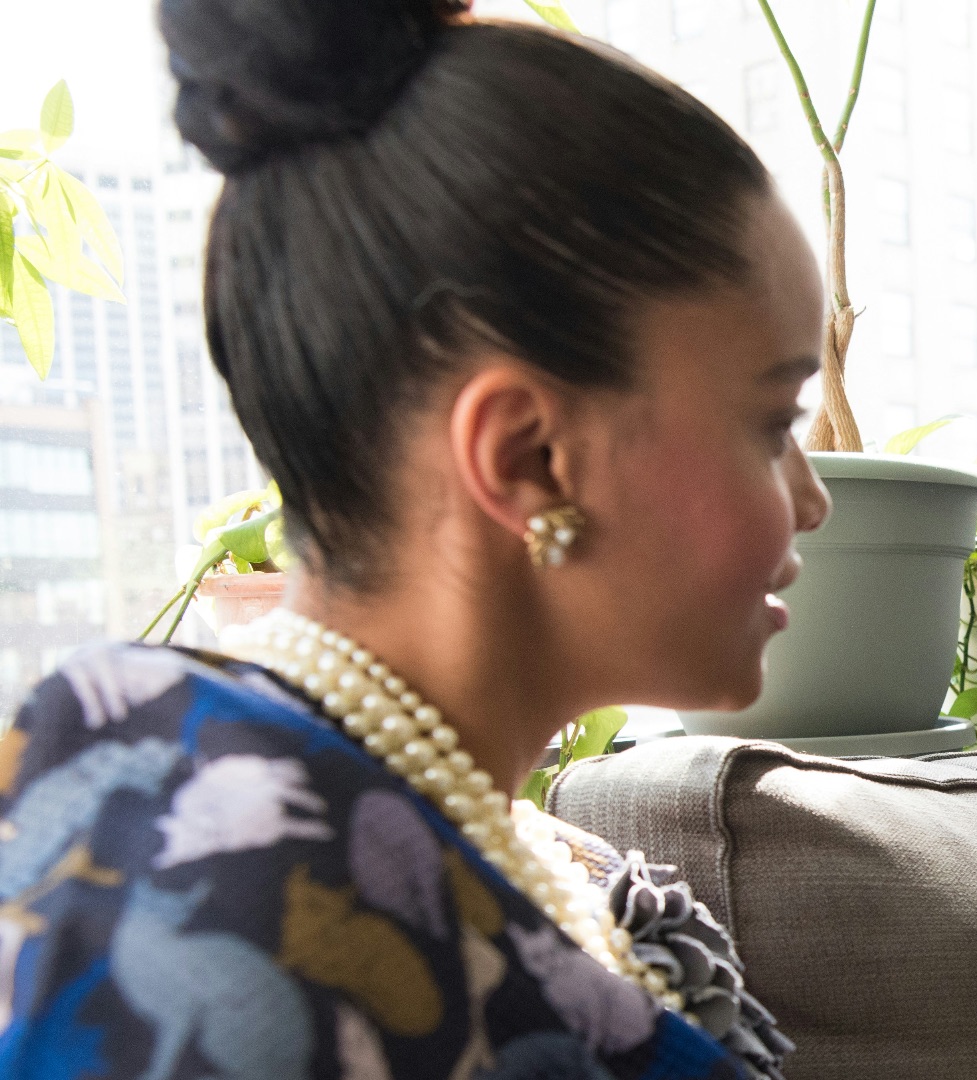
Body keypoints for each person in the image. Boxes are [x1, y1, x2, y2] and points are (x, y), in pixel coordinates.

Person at [0, 1, 831, 1076]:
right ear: (529, 457)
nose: (809, 500)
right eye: (773, 424)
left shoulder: (515, 866)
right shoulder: (242, 906)